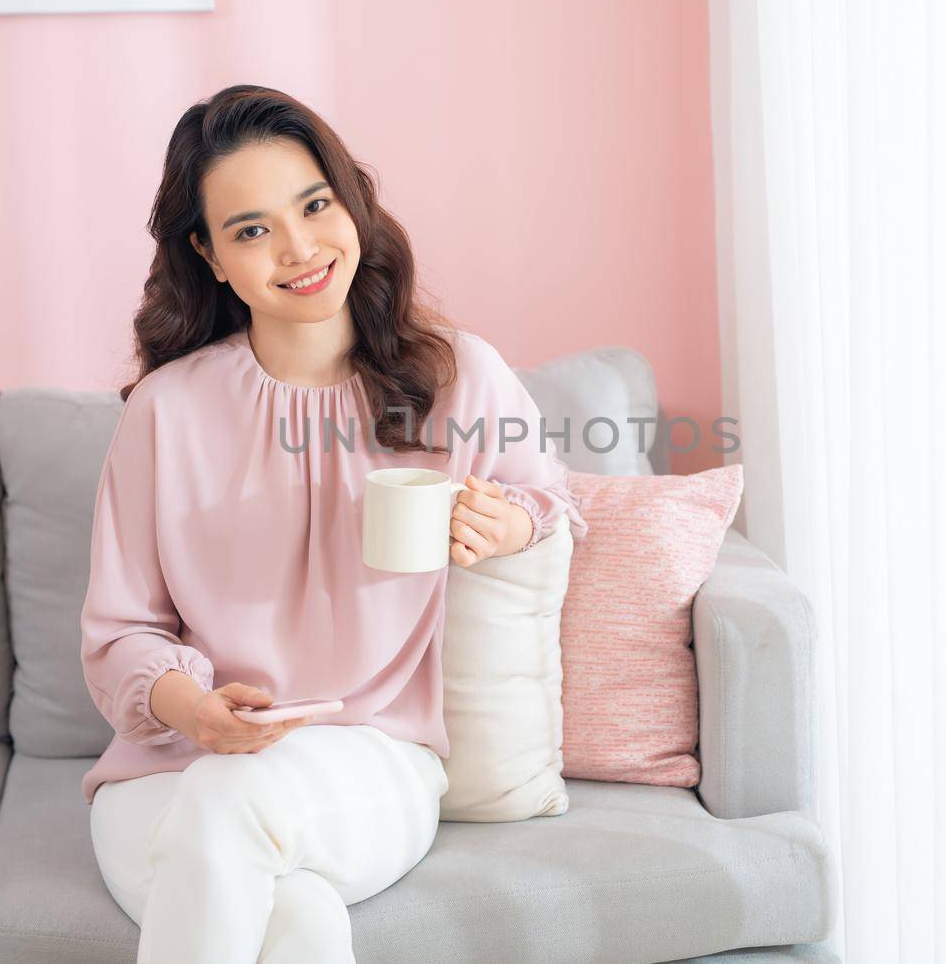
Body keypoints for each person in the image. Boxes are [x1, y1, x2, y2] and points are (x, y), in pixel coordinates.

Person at [79, 84, 589, 963]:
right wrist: (194, 712)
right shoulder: (168, 411)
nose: (299, 247)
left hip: (368, 756)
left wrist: (504, 525)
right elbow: (119, 632)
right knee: (294, 918)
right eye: (252, 229)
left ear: (351, 200)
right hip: (164, 772)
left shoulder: (458, 376)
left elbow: (549, 500)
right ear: (209, 254)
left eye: (314, 205)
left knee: (229, 811)